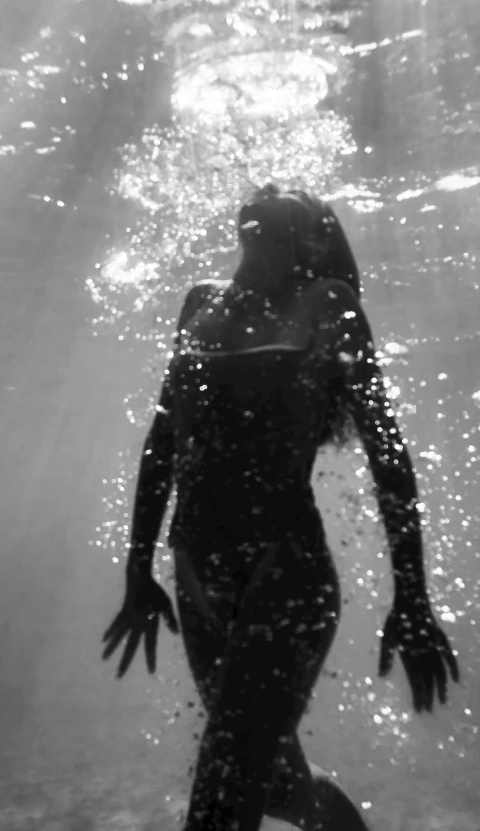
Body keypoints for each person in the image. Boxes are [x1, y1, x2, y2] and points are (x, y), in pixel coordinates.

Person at [102, 184, 459, 831]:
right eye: (260, 187)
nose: (266, 188)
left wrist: (412, 596)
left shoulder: (328, 303)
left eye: (287, 194)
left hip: (285, 569)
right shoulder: (198, 303)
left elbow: (388, 453)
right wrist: (138, 567)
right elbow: (161, 441)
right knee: (266, 777)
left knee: (224, 781)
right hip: (196, 575)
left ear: (313, 236)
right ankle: (337, 819)